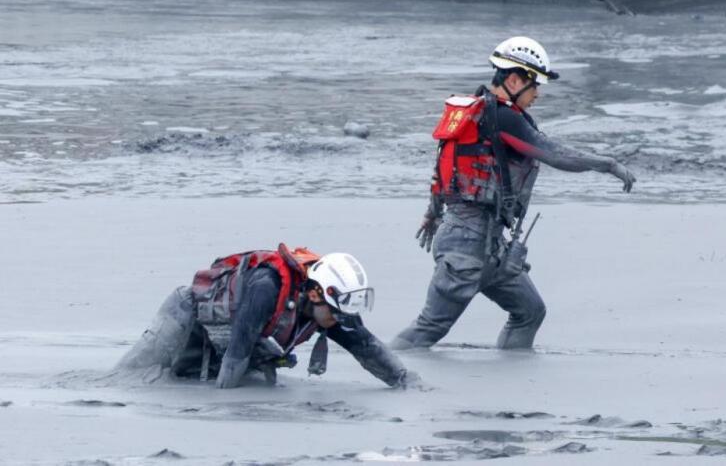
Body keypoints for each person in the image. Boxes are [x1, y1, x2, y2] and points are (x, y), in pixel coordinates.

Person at [391, 36, 636, 351]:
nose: (538, 94)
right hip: (466, 245)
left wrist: (432, 213)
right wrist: (608, 163)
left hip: (489, 244)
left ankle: (511, 380)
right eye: (535, 85)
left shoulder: (476, 112)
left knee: (530, 311)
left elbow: (445, 171)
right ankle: (386, 369)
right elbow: (553, 153)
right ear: (515, 79)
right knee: (428, 329)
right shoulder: (503, 117)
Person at [117, 243, 414, 388]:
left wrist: (406, 381)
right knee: (133, 375)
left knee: (255, 383)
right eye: (337, 314)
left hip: (228, 339)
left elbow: (364, 344)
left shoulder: (326, 305)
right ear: (315, 294)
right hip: (186, 314)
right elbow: (237, 354)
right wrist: (220, 402)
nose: (339, 321)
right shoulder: (266, 288)